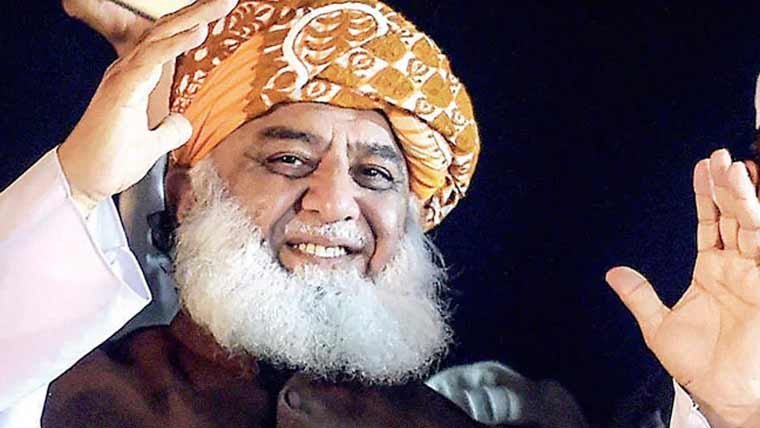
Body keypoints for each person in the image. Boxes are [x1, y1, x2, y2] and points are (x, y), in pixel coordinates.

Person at [1, 0, 759, 426]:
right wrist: (79, 185)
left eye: (375, 174)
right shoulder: (51, 392)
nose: (335, 202)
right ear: (188, 191)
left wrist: (730, 413)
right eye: (288, 160)